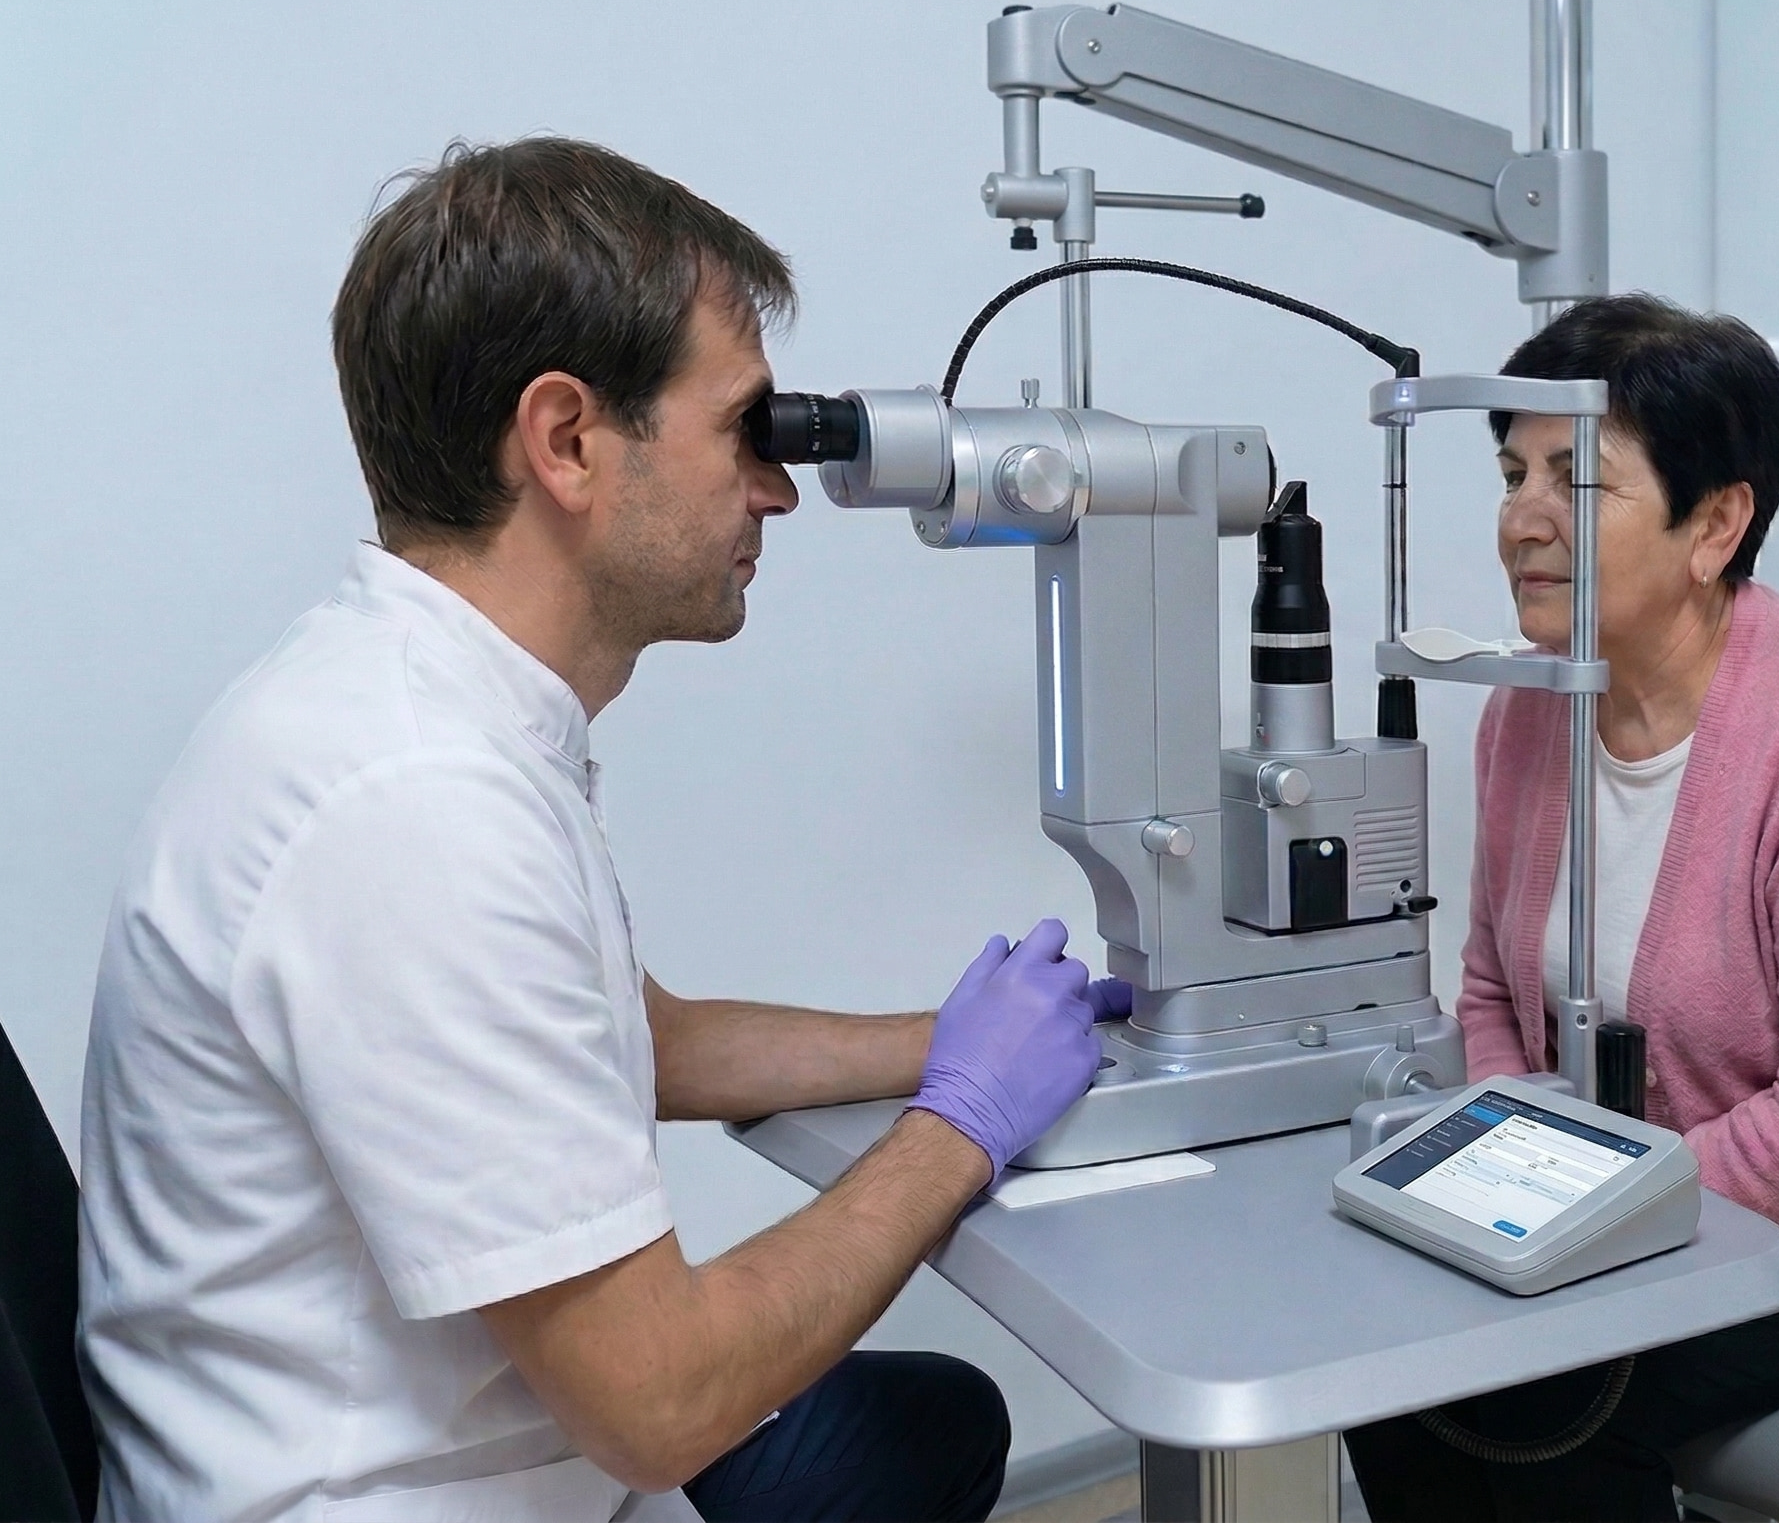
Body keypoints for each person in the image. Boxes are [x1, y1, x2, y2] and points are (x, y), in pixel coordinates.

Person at [76, 137, 1115, 1523]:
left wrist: (958, 1038)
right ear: (567, 441)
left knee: (927, 1421)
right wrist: (962, 1124)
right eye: (744, 429)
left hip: (495, 1447)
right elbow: (659, 1402)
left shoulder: (417, 698)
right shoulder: (412, 809)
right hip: (397, 1496)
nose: (778, 490)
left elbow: (643, 1038)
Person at [1345, 296, 1779, 1521]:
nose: (1522, 522)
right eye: (1512, 473)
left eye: (1577, 481)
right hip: (1603, 1200)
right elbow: (1496, 990)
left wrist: (1584, 1213)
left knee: (1534, 1409)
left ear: (1716, 523)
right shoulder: (1532, 706)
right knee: (1390, 1357)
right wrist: (1518, 1175)